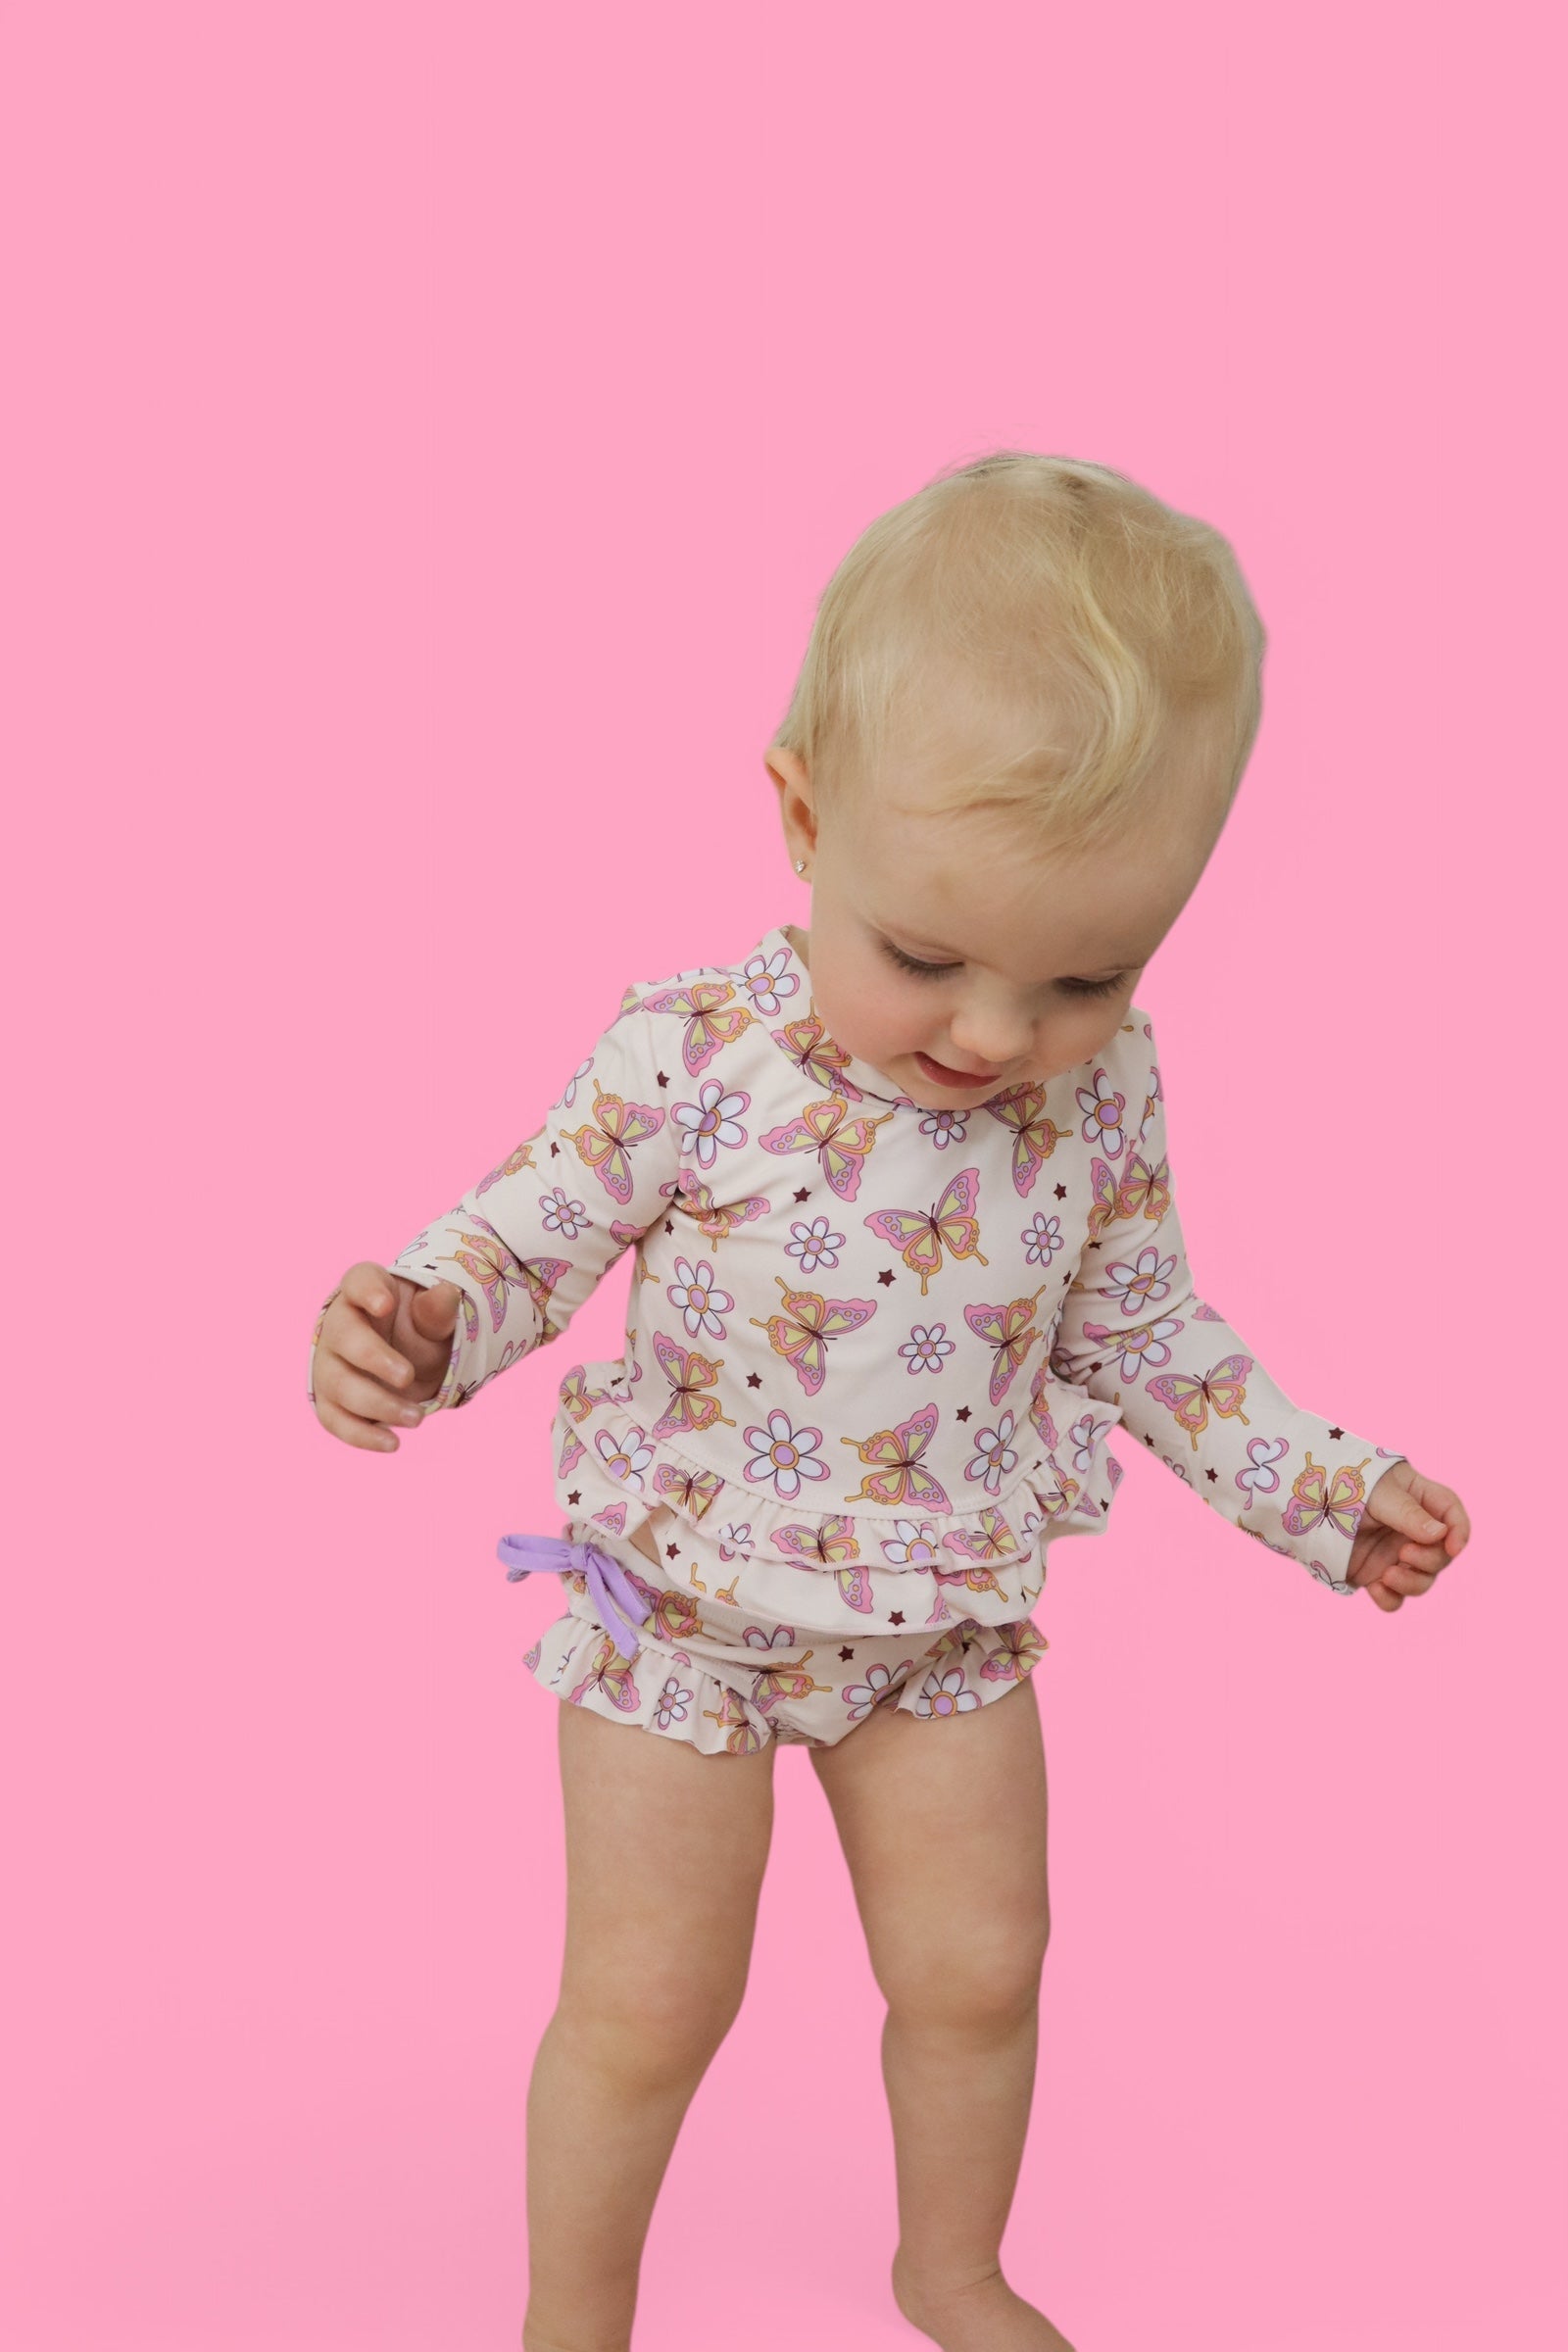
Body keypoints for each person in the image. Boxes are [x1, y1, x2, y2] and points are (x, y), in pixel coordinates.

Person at [307, 451, 1471, 2352]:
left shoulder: (1099, 1097)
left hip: (941, 1626)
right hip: (678, 1616)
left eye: (1085, 974)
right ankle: (569, 2322)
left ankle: (951, 2268)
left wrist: (1326, 1493)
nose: (996, 1036)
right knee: (647, 2005)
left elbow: (1146, 1335)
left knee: (980, 1970)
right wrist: (417, 1323)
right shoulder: (697, 1054)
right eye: (925, 958)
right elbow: (525, 1234)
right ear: (801, 815)